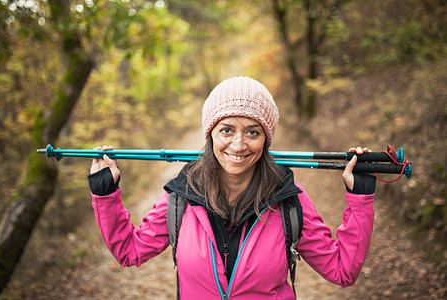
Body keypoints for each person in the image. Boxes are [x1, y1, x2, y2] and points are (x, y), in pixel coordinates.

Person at [88, 76, 376, 299]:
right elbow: (130, 250)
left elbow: (342, 270)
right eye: (227, 129)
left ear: (266, 139)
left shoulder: (288, 200)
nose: (238, 145)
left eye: (253, 131)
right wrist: (105, 195)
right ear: (210, 133)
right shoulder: (181, 197)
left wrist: (359, 198)